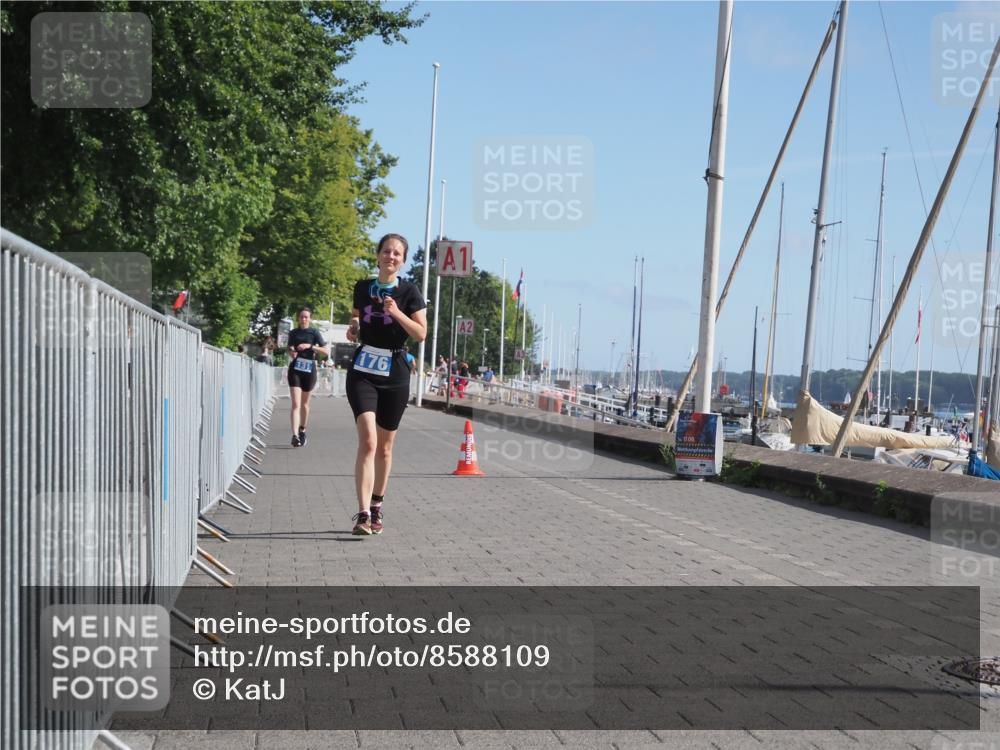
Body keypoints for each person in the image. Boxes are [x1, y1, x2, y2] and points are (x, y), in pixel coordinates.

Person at [345, 233, 427, 536]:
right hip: (364, 368)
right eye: (386, 252)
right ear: (378, 255)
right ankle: (363, 514)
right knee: (368, 441)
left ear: (402, 260)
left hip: (394, 371)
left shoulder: (410, 293)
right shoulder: (363, 288)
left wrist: (396, 312)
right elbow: (356, 319)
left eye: (397, 254)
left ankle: (377, 505)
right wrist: (353, 329)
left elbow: (421, 334)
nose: (391, 257)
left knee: (386, 448)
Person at [287, 307, 329, 447]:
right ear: (298, 319)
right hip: (295, 369)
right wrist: (292, 351)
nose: (304, 319)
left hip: (309, 369)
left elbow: (325, 350)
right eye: (301, 317)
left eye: (306, 317)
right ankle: (294, 436)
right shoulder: (293, 333)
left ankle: (302, 430)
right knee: (296, 404)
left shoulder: (314, 332)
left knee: (304, 405)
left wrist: (310, 346)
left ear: (310, 319)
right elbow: (290, 348)